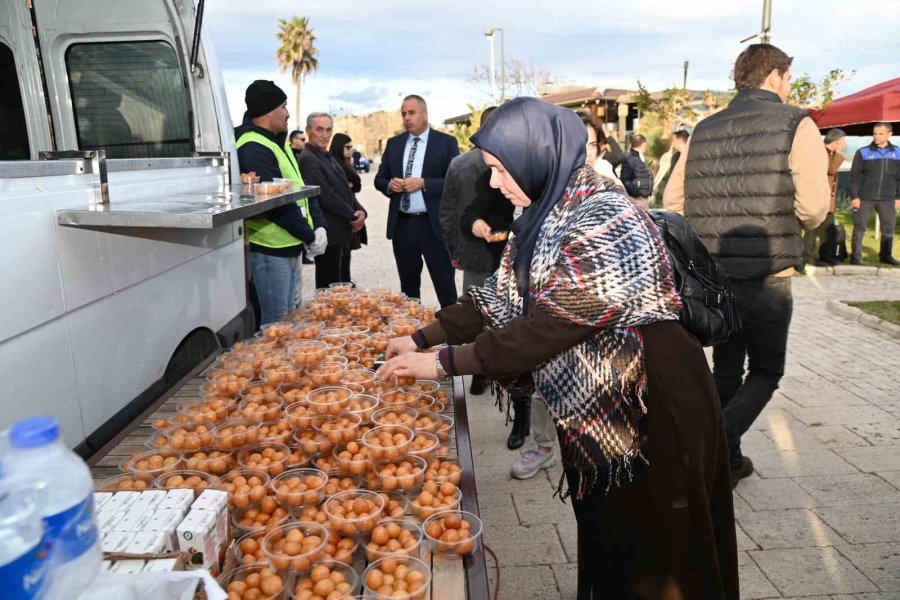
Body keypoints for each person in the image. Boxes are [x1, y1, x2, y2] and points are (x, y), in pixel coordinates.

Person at [377, 98, 738, 599]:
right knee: (611, 539)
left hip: (648, 401)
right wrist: (421, 336)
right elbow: (496, 298)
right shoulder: (543, 213)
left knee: (659, 556)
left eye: (501, 170)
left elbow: (549, 327)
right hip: (604, 396)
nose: (496, 184)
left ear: (535, 156)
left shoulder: (601, 214)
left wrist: (442, 363)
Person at [664, 43, 830, 487]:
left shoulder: (704, 128)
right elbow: (815, 208)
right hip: (767, 272)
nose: (789, 86)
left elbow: (672, 201)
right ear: (775, 75)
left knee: (726, 367)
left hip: (714, 271)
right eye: (789, 78)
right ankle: (716, 441)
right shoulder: (797, 122)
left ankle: (727, 463)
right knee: (766, 369)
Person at [508, 110, 624, 478]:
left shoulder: (605, 194)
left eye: (588, 145)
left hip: (596, 339)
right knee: (543, 379)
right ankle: (543, 445)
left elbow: (582, 302)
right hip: (551, 317)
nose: (581, 153)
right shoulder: (541, 193)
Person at [234, 80, 327, 326]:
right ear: (269, 110)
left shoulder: (277, 142)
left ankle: (288, 364)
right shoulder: (252, 146)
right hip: (269, 249)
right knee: (275, 325)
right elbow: (274, 204)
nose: (287, 113)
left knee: (291, 317)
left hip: (290, 245)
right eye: (284, 106)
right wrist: (309, 236)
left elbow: (300, 188)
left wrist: (318, 226)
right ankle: (274, 366)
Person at [374, 95, 461, 307]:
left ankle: (453, 333)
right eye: (404, 114)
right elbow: (379, 179)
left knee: (445, 286)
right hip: (403, 226)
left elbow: (455, 181)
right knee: (408, 289)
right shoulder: (394, 144)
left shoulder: (446, 143)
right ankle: (414, 333)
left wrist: (424, 184)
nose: (406, 118)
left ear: (425, 114)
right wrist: (390, 185)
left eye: (411, 113)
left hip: (434, 228)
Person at [299, 113, 367, 288]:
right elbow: (326, 196)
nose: (324, 135)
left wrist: (360, 211)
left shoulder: (327, 156)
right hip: (329, 233)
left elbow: (345, 189)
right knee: (329, 290)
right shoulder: (308, 159)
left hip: (342, 232)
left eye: (328, 130)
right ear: (308, 131)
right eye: (319, 129)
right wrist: (352, 216)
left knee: (344, 285)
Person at [848, 122, 900, 265]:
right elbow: (854, 177)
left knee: (888, 228)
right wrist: (854, 196)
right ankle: (856, 257)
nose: (876, 136)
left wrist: (898, 197)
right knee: (859, 228)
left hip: (887, 198)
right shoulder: (863, 152)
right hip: (864, 198)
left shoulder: (897, 152)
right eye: (874, 133)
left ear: (890, 134)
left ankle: (886, 255)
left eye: (880, 134)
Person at [804, 128, 846, 266]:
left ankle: (827, 256)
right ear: (835, 142)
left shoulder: (830, 153)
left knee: (828, 230)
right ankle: (808, 258)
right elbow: (831, 169)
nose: (844, 145)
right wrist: (838, 154)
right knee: (813, 230)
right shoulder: (820, 152)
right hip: (817, 199)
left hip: (828, 200)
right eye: (842, 142)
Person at [329, 132, 368, 255]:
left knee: (346, 254)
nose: (350, 150)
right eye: (347, 147)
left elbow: (357, 184)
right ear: (339, 146)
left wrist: (350, 185)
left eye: (351, 147)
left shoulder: (346, 162)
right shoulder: (333, 162)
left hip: (350, 207)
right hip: (339, 214)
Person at [654, 130, 690, 204]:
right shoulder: (675, 157)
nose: (672, 143)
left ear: (680, 140)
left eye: (674, 140)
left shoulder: (692, 155)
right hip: (676, 196)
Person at [619, 134, 654, 209]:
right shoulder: (630, 158)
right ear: (644, 144)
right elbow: (624, 179)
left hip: (643, 198)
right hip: (637, 200)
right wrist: (636, 193)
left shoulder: (640, 157)